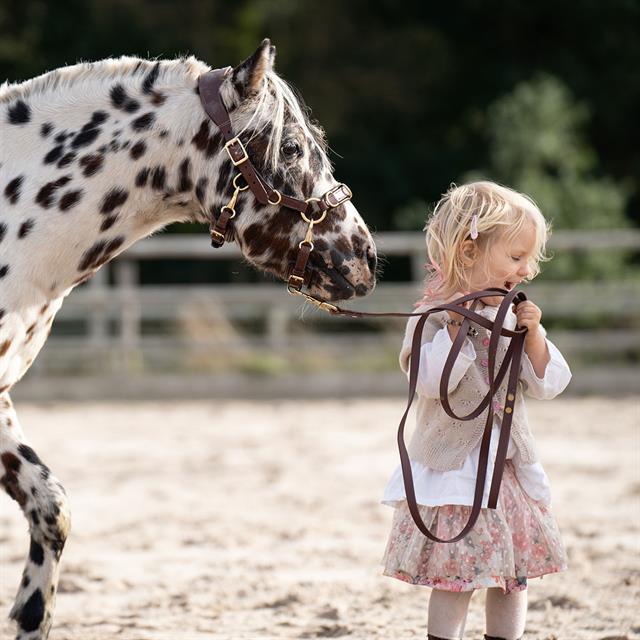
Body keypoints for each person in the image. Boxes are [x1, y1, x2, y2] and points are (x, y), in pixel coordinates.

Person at [381, 182, 571, 640]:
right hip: (455, 473)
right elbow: (431, 384)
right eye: (515, 257)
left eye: (530, 259)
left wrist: (536, 336)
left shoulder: (512, 317)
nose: (526, 270)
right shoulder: (430, 317)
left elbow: (548, 383)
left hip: (505, 470)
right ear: (468, 253)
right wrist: (457, 327)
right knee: (457, 575)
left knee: (510, 577)